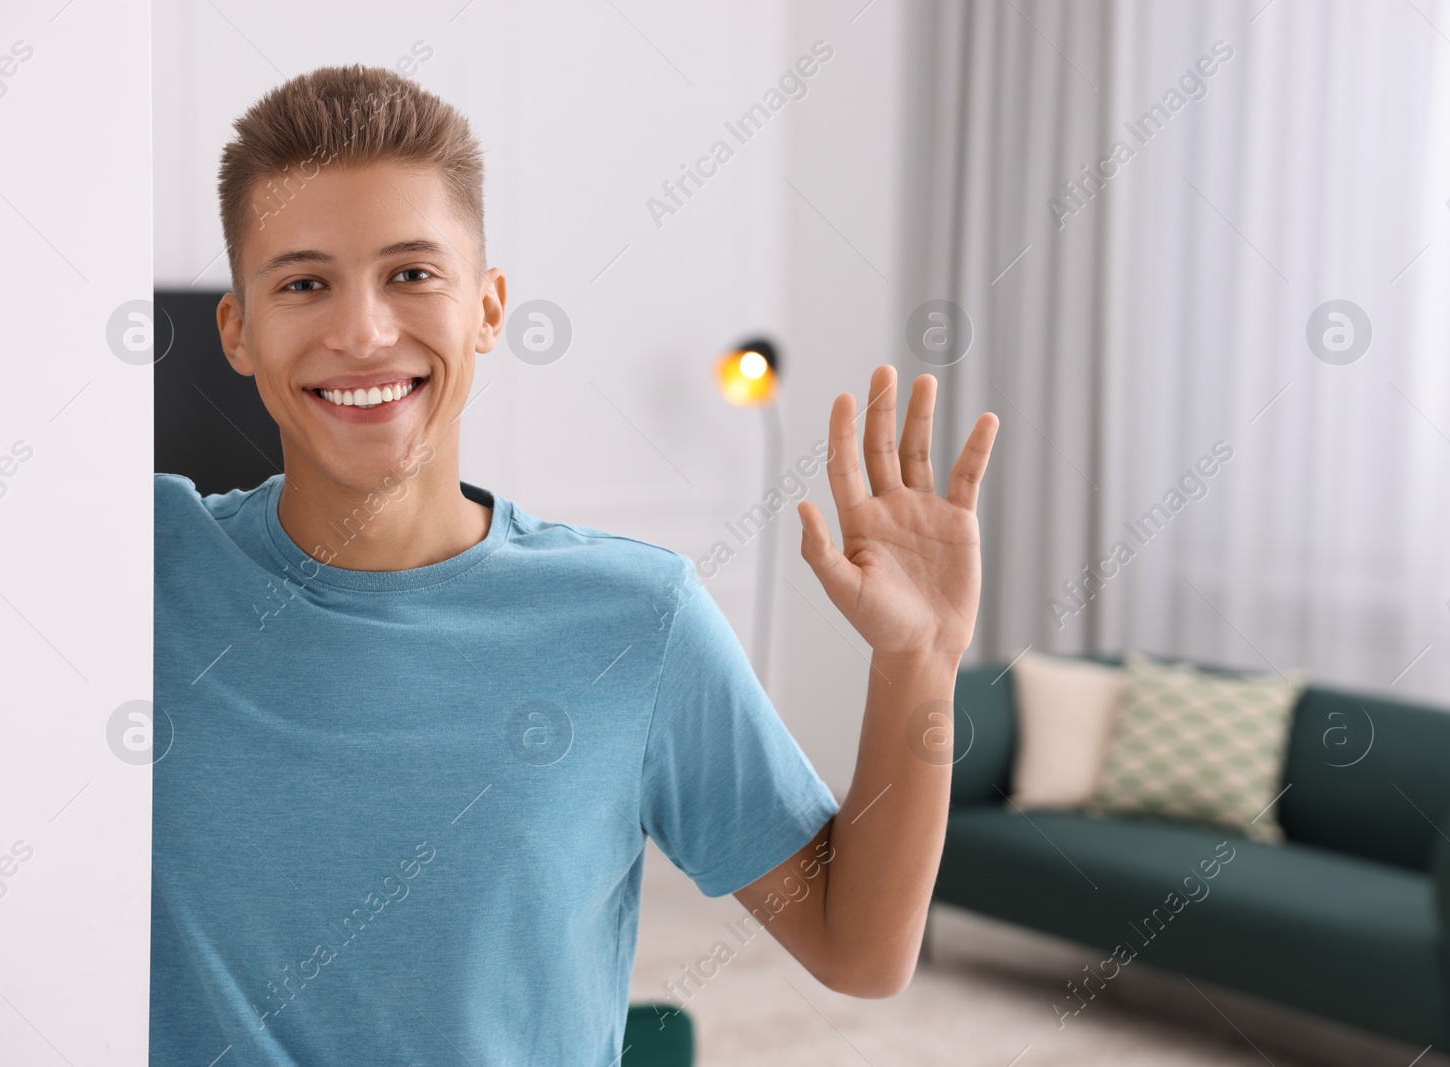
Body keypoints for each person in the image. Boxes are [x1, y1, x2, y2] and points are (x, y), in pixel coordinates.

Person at [152, 64, 999, 1064]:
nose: (363, 331)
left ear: (489, 308)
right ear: (238, 329)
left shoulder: (635, 620)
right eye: (303, 282)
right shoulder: (139, 565)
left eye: (412, 274)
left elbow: (861, 950)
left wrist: (919, 660)